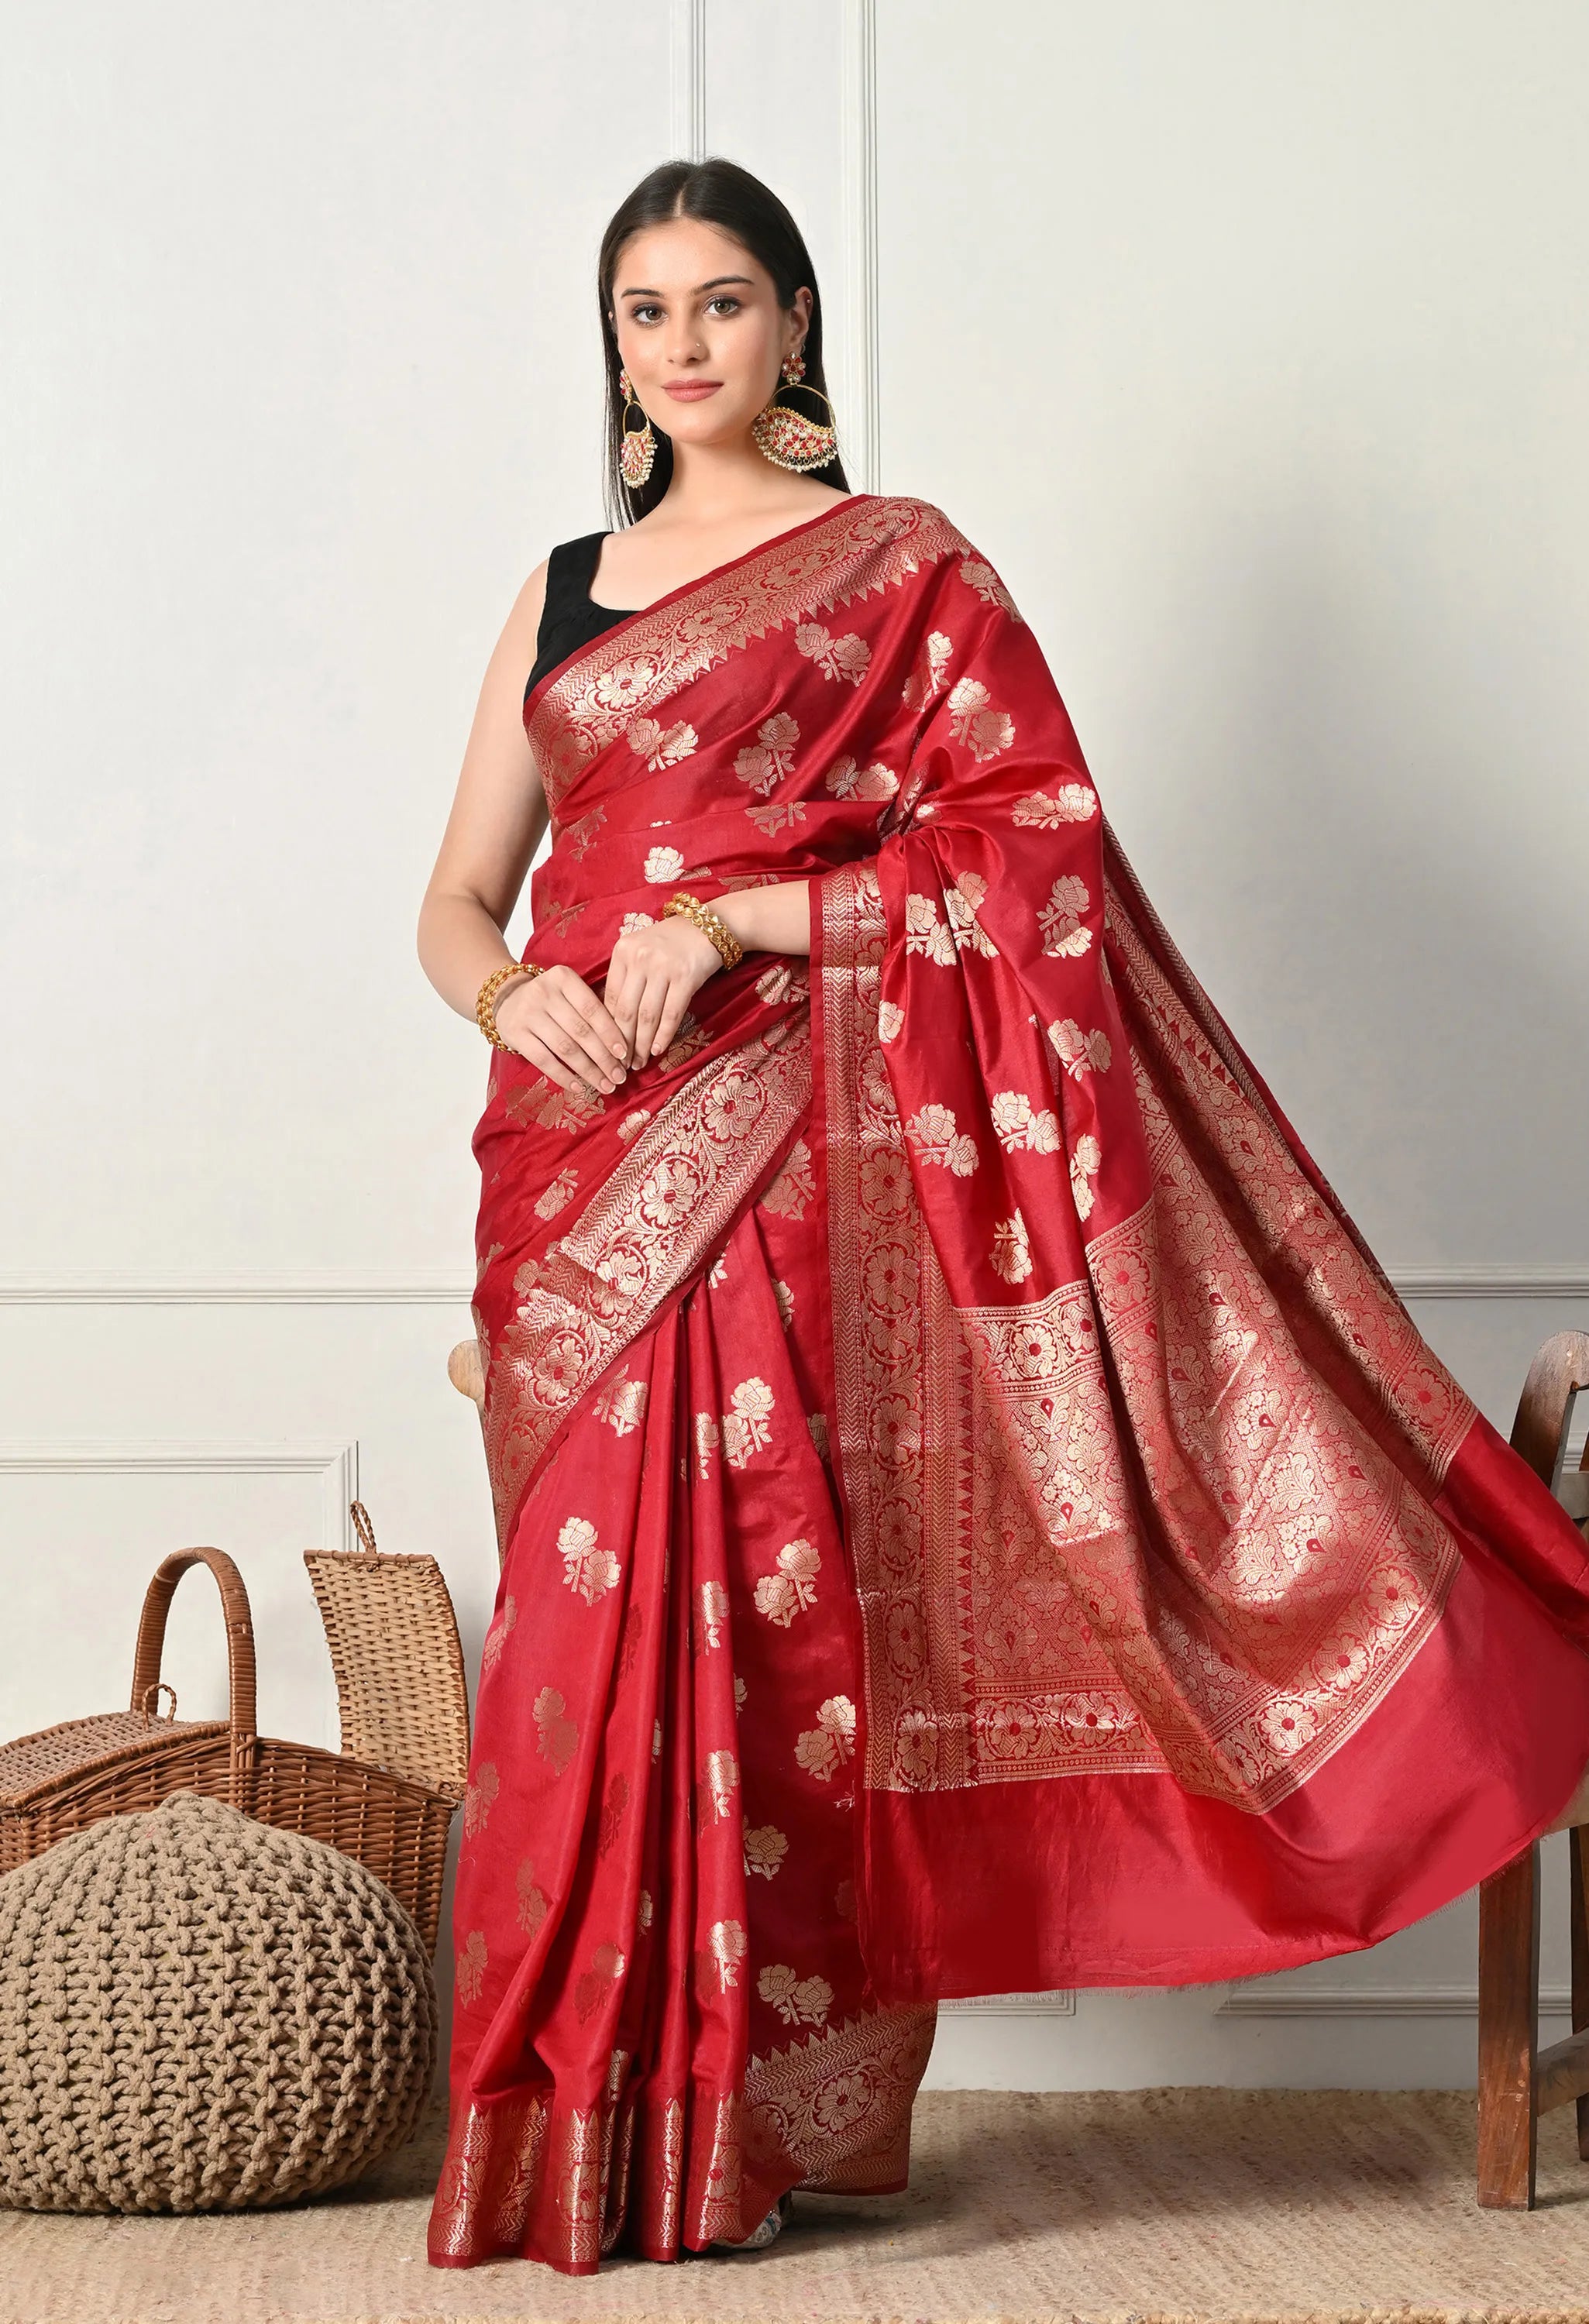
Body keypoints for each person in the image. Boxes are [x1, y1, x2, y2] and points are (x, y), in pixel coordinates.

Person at [414, 155, 1589, 2278]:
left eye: (720, 302)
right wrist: (518, 999)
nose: (681, 346)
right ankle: (574, 2128)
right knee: (583, 1641)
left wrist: (737, 919)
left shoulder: (899, 570)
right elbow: (451, 902)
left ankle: (742, 2140)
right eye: (643, 312)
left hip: (786, 1155)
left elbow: (1029, 853)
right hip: (572, 1164)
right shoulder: (561, 590)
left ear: (794, 322)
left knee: (775, 1630)